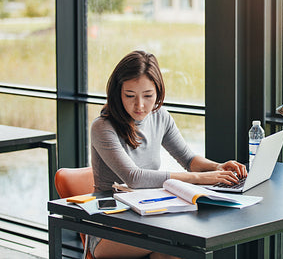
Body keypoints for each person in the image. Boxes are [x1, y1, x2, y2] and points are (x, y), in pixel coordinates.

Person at [89, 50, 247, 259]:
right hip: (110, 228)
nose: (140, 105)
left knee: (179, 251)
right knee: (184, 242)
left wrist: (216, 167)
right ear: (117, 93)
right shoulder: (102, 127)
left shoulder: (160, 116)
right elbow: (134, 178)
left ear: (158, 92)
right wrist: (200, 178)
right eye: (130, 96)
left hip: (149, 216)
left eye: (148, 96)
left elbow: (189, 160)